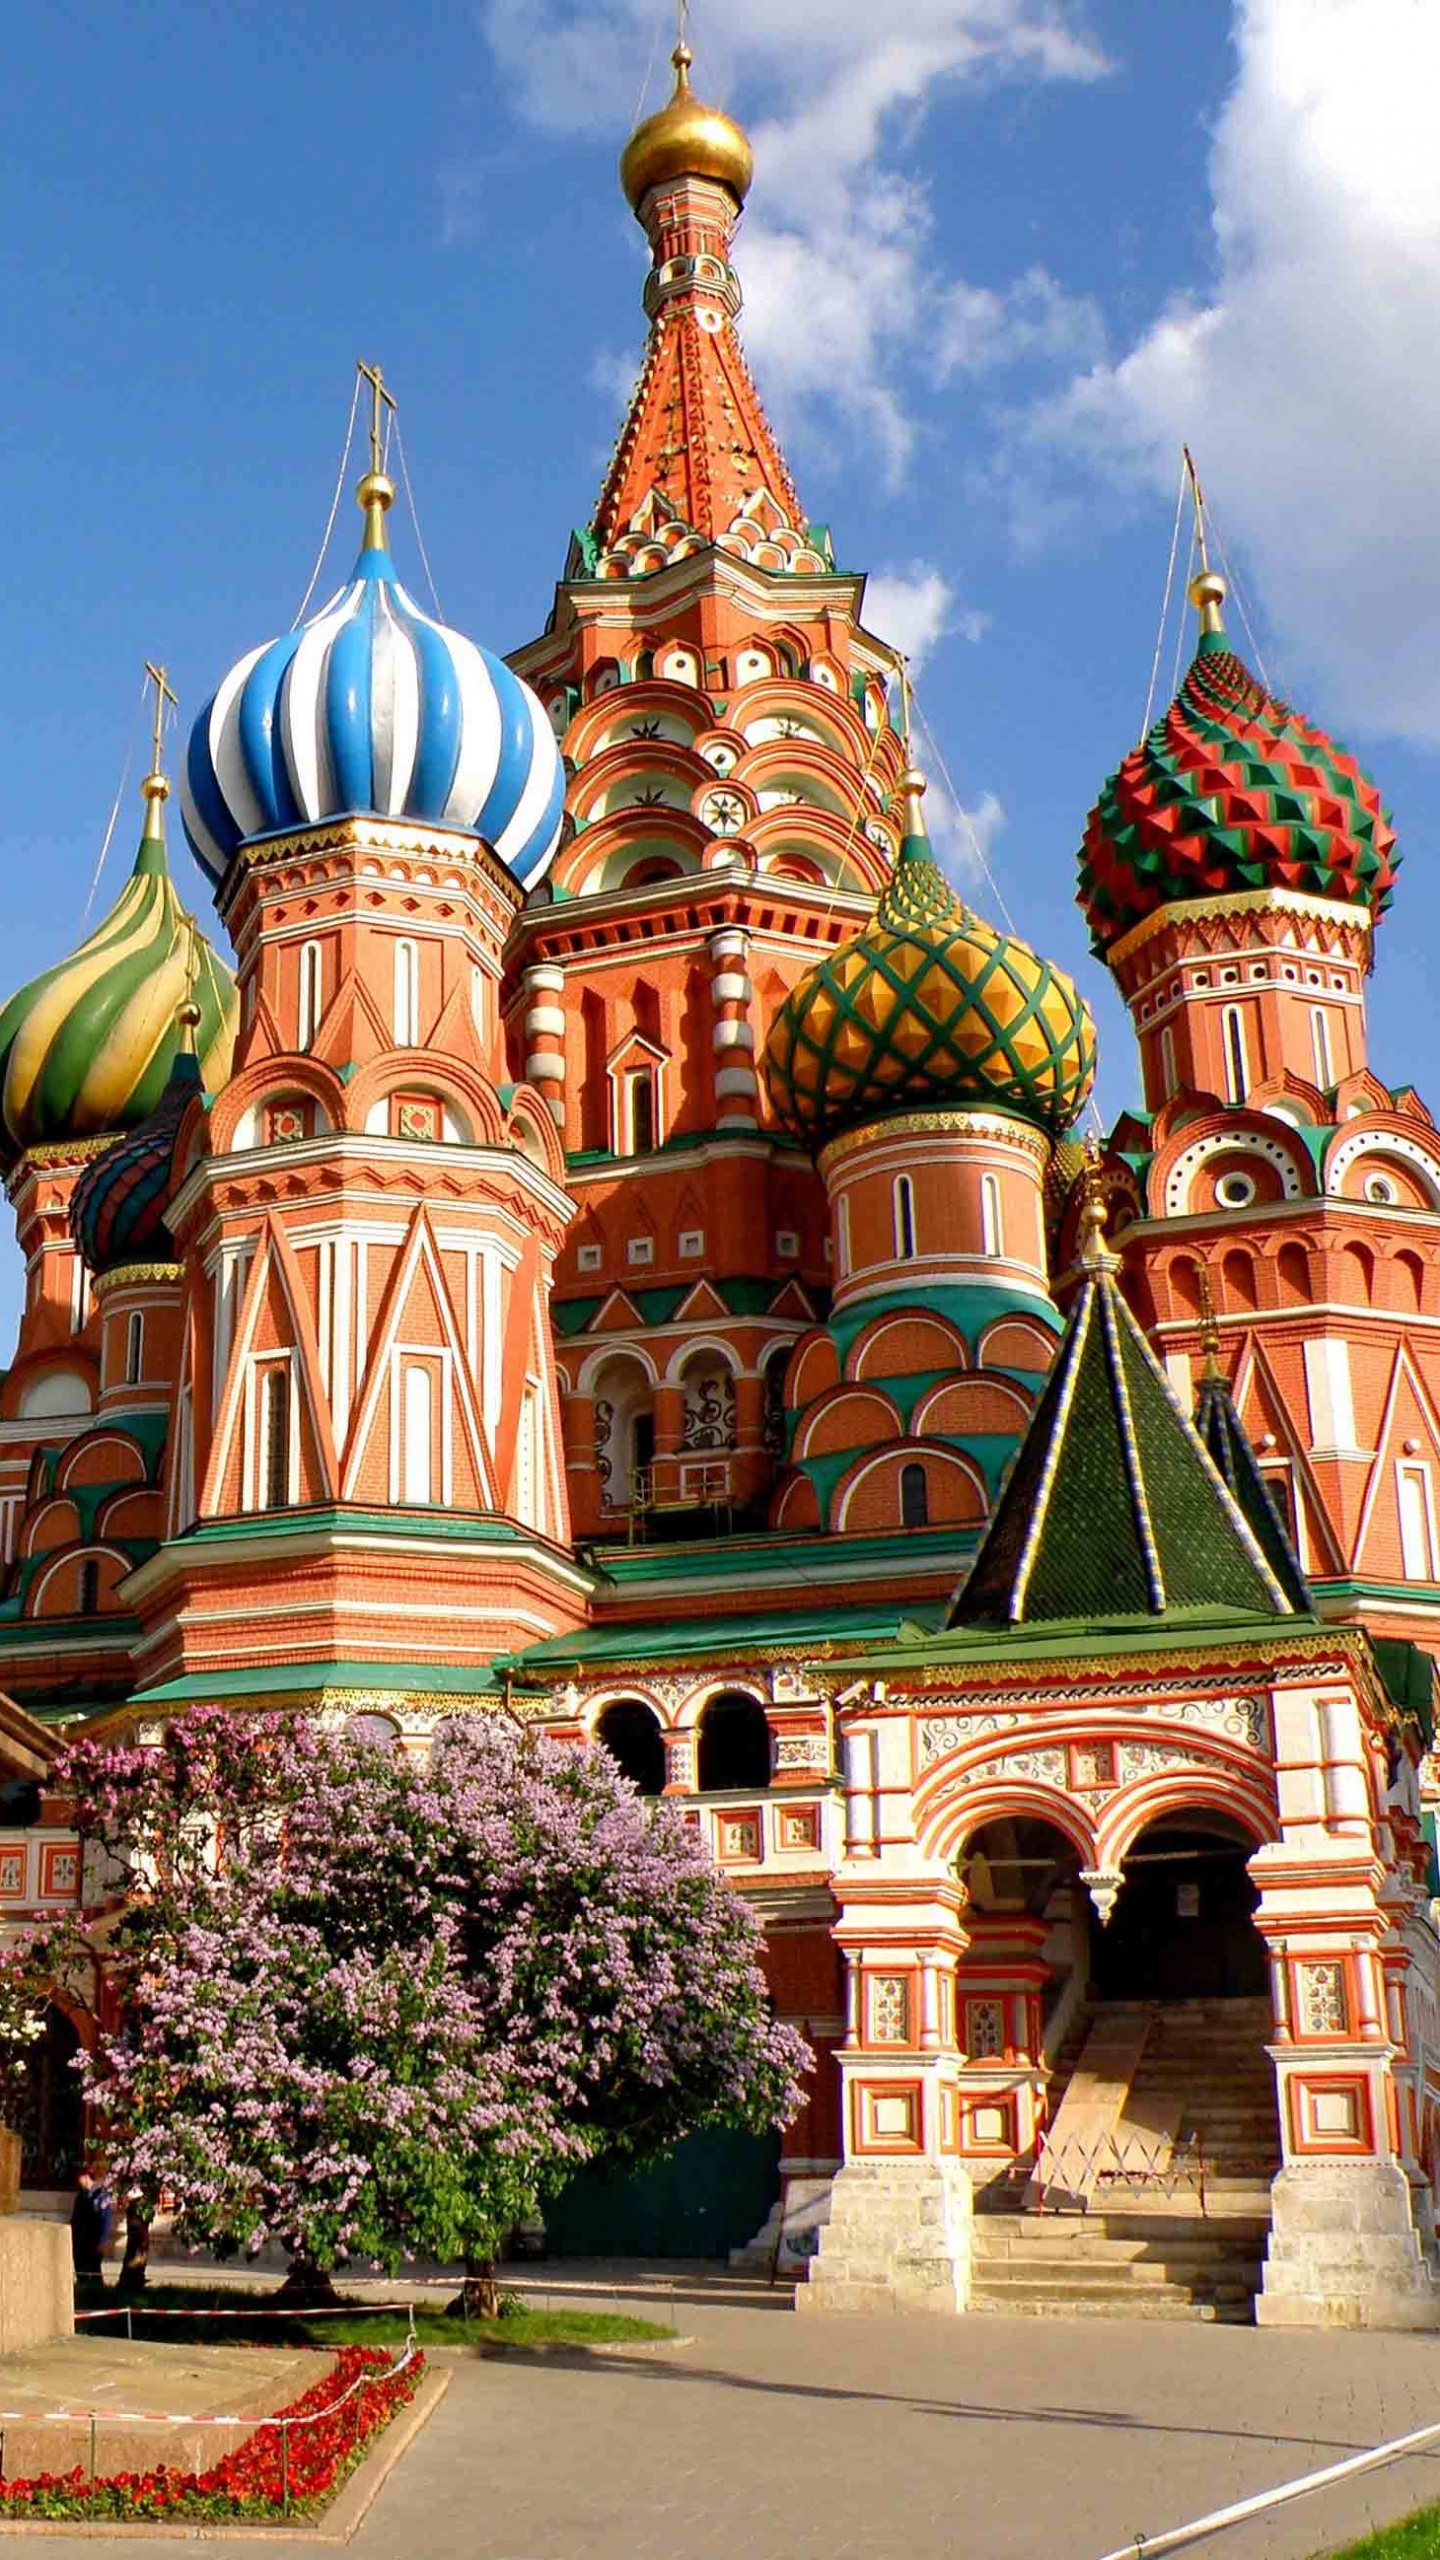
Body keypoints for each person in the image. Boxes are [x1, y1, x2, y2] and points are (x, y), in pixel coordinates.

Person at [70, 2165, 113, 2279]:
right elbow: (75, 2218)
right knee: (81, 2270)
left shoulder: (101, 2195)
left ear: (86, 2177)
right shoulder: (81, 2196)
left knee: (93, 2270)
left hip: (93, 2239)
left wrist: (103, 2240)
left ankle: (95, 2293)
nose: (78, 2181)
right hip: (79, 2240)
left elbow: (106, 2218)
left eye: (79, 2177)